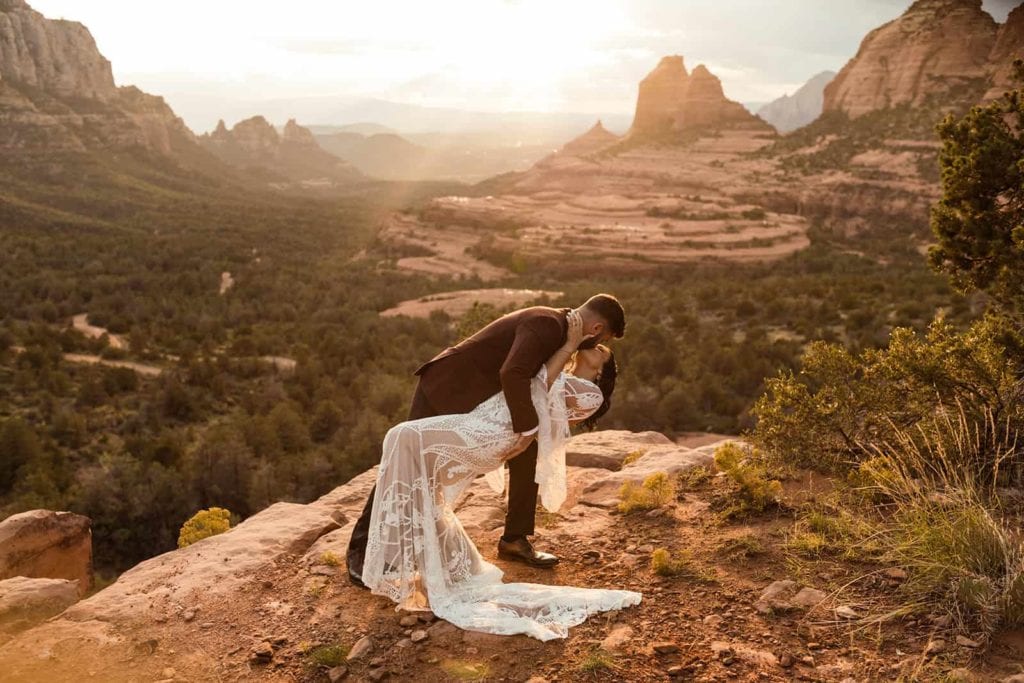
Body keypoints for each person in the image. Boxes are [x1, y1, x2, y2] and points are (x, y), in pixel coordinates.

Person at [361, 311, 640, 640]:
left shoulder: (588, 394)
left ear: (601, 370)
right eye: (599, 343)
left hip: (498, 434)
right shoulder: (560, 364)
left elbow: (539, 389)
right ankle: (428, 559)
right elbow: (527, 380)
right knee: (408, 450)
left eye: (603, 350)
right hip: (487, 421)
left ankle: (412, 561)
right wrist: (563, 349)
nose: (596, 346)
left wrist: (566, 346)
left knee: (402, 438)